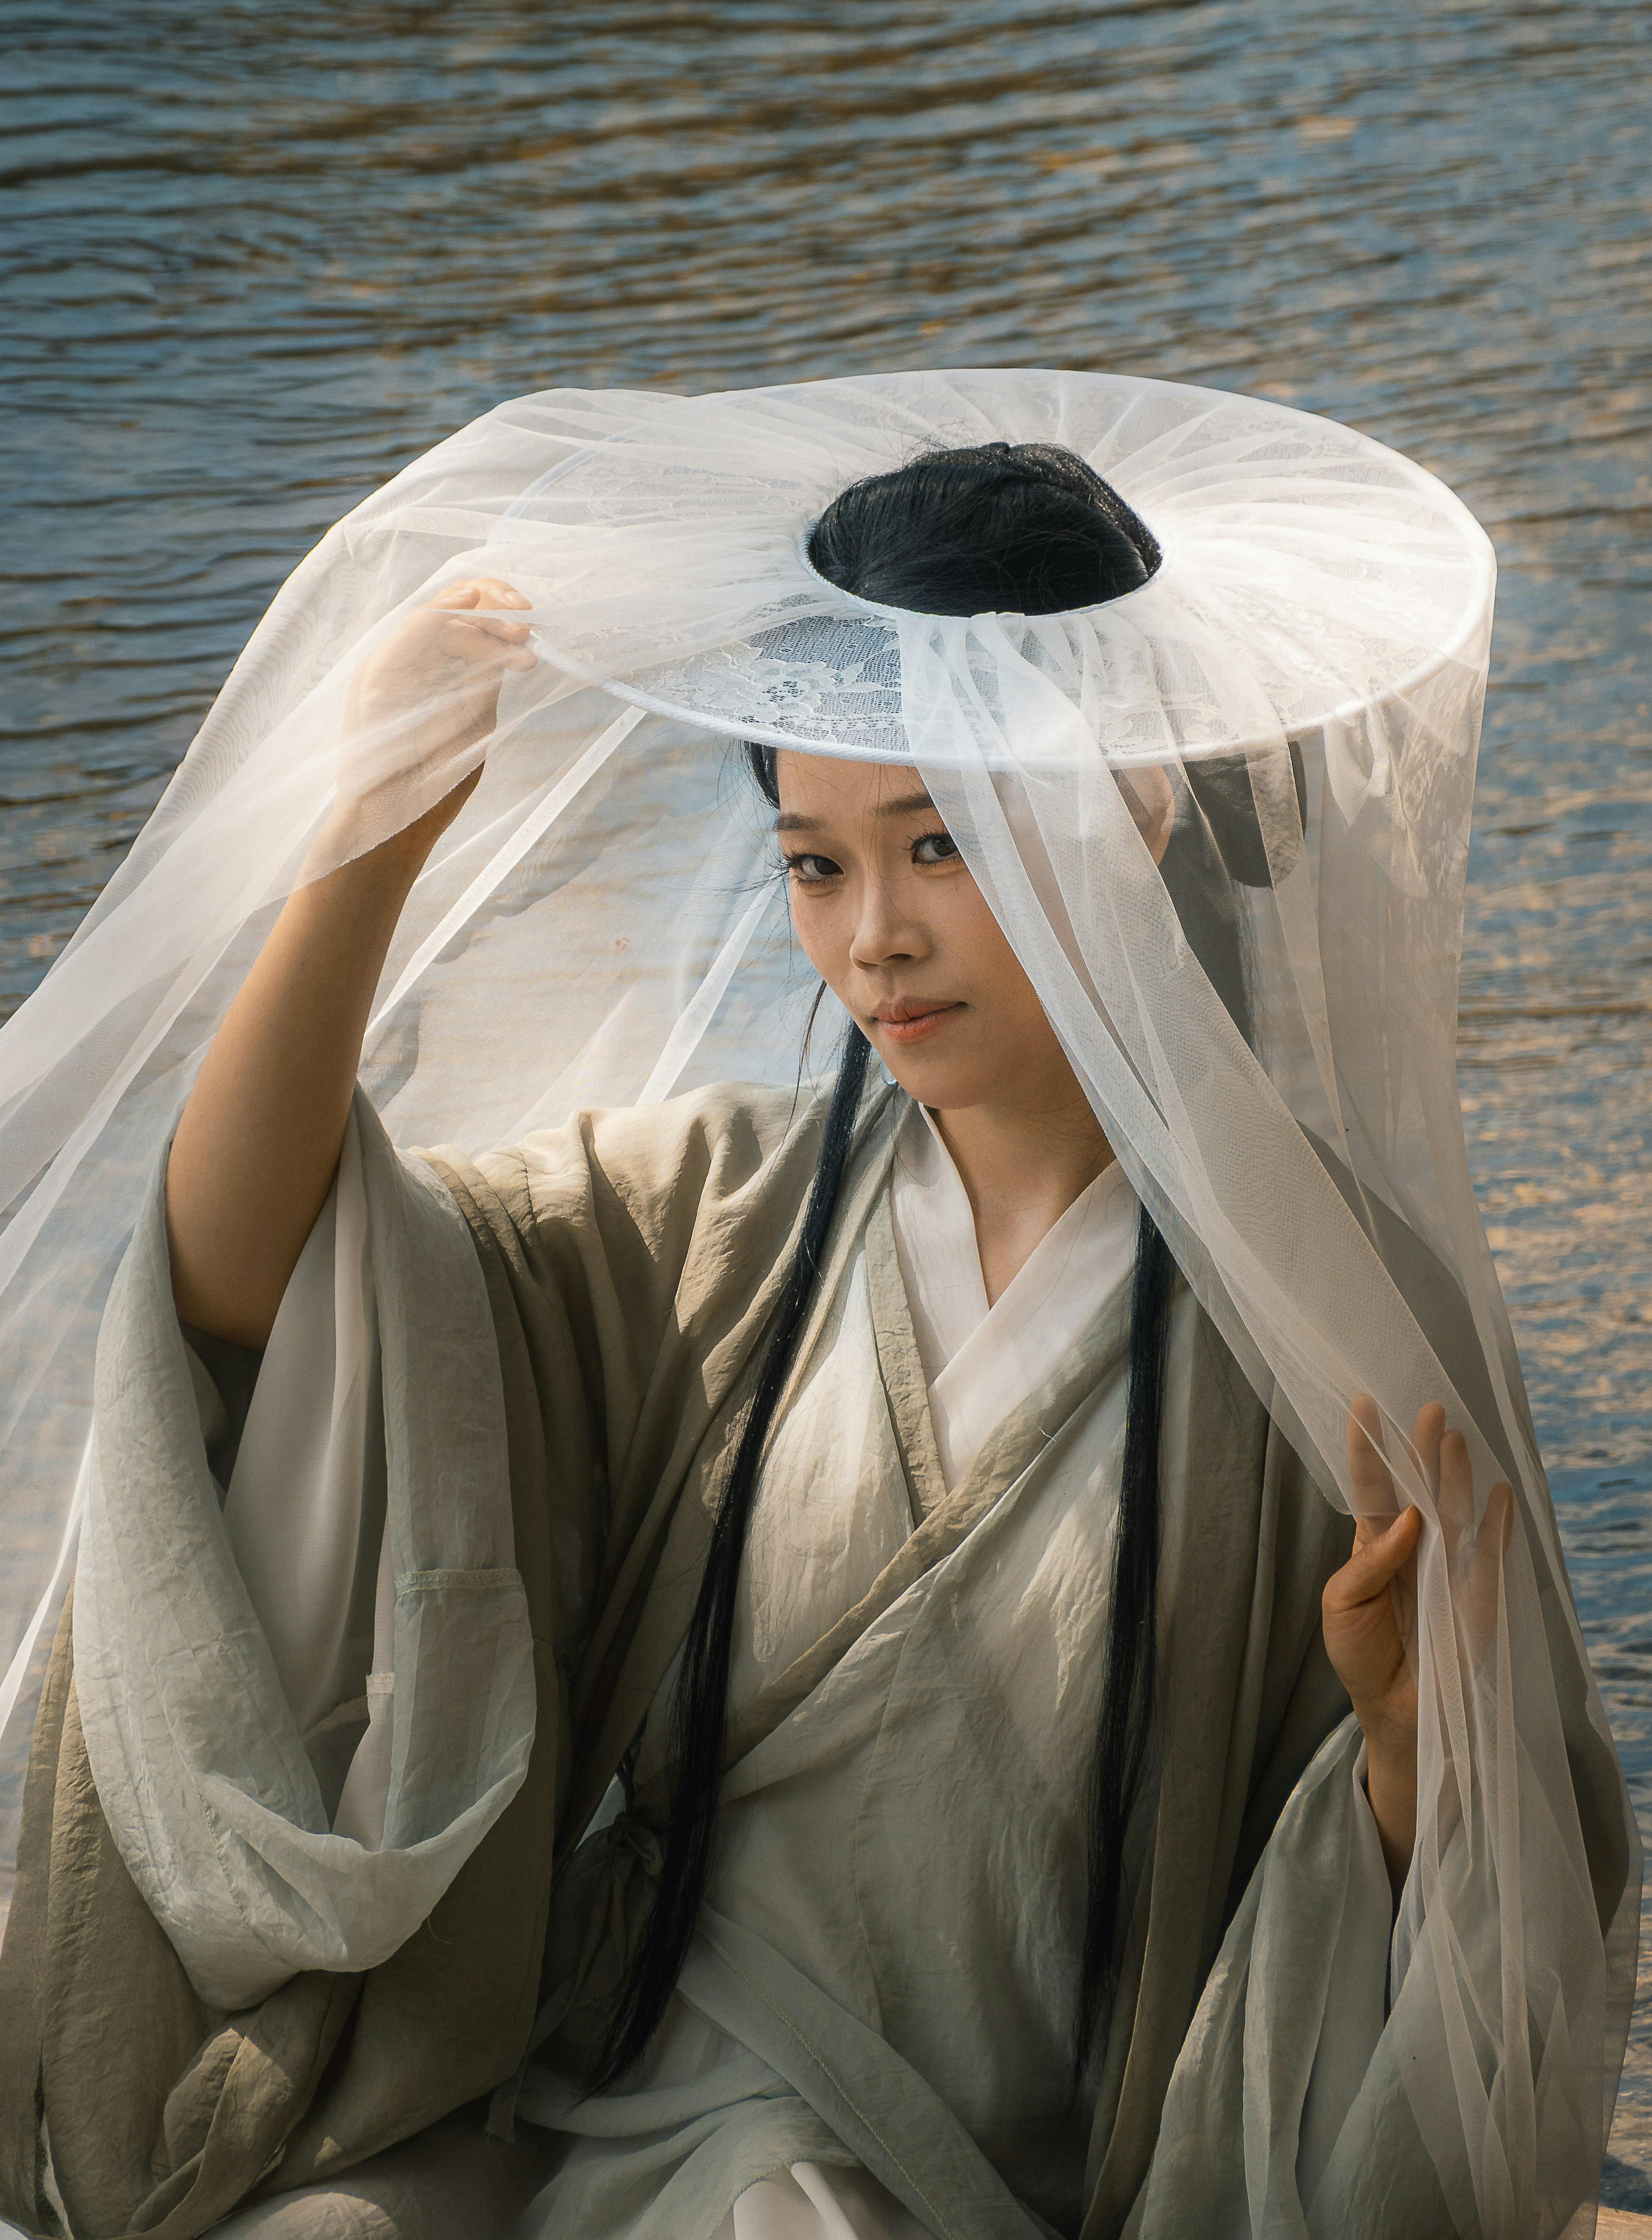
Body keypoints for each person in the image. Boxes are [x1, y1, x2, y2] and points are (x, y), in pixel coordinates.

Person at [0, 374, 1635, 2240]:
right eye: (813, 862)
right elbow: (250, 1290)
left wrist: (1418, 1756)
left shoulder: (1328, 1316)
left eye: (937, 843)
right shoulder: (713, 1223)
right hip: (621, 2112)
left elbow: (1505, 1911)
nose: (873, 936)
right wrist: (364, 851)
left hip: (1003, 2185)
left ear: (1134, 806)